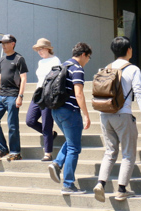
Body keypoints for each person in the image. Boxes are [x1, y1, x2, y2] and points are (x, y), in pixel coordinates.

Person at [93, 36, 141, 202]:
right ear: (128, 50)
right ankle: (121, 189)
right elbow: (139, 94)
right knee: (128, 153)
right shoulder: (133, 69)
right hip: (123, 115)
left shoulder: (106, 68)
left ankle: (101, 183)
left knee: (110, 151)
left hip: (105, 115)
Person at [48, 42, 92, 195]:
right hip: (70, 112)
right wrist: (86, 115)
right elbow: (79, 94)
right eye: (88, 57)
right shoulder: (77, 69)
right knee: (74, 147)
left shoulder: (62, 66)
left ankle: (57, 163)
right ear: (83, 54)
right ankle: (68, 184)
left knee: (71, 141)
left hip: (56, 111)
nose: (87, 61)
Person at [0, 34, 28, 161]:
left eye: (6, 43)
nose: (3, 46)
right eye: (2, 43)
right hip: (1, 96)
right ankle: (2, 149)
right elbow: (0, 77)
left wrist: (20, 96)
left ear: (13, 44)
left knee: (12, 125)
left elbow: (23, 79)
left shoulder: (19, 58)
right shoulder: (2, 59)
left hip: (12, 96)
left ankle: (16, 152)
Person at [25, 37, 61, 161]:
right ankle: (51, 135)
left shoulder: (55, 60)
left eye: (41, 49)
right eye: (37, 50)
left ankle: (48, 153)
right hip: (38, 92)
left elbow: (58, 79)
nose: (39, 52)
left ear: (47, 49)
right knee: (30, 120)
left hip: (49, 94)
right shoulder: (41, 62)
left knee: (47, 123)